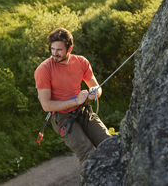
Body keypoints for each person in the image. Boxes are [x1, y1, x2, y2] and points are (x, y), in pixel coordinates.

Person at [34, 27, 111, 163]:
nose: (54, 54)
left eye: (59, 50)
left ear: (69, 49)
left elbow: (97, 88)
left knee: (109, 144)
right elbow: (46, 105)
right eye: (52, 49)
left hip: (83, 111)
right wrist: (76, 100)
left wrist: (94, 93)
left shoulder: (81, 62)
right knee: (89, 156)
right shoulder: (44, 69)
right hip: (62, 117)